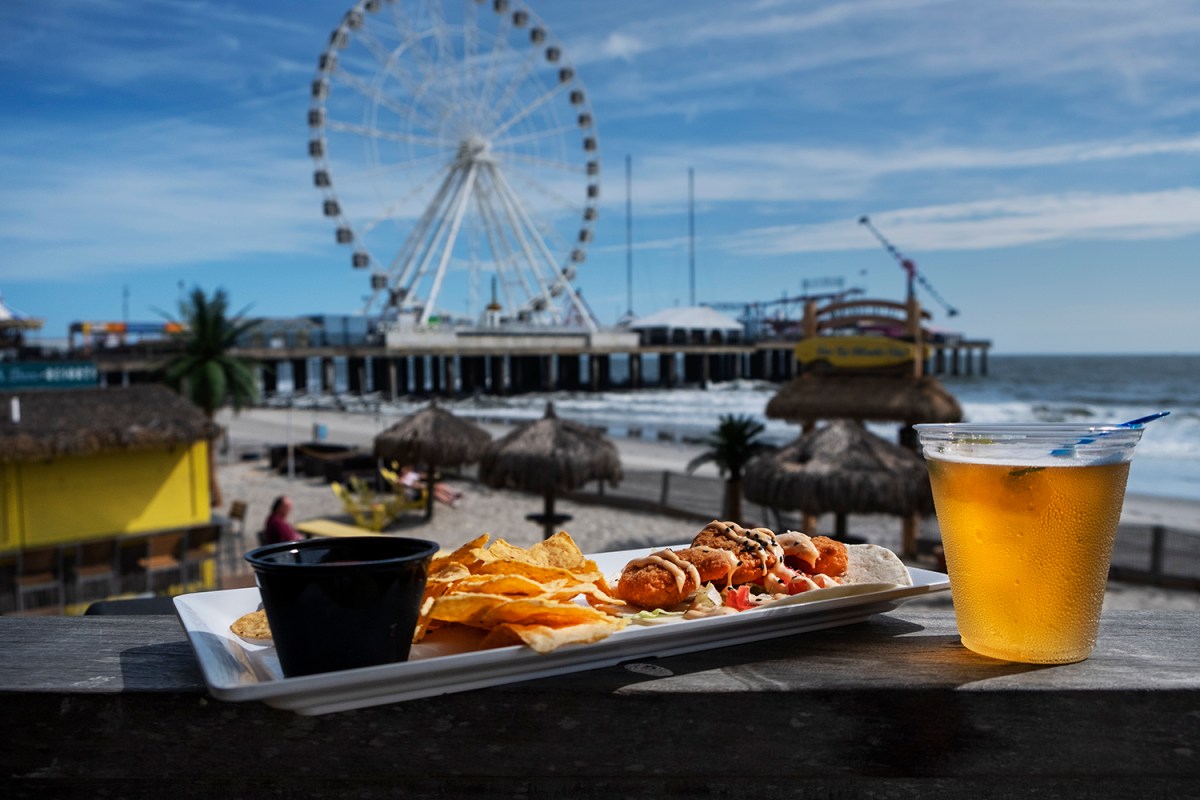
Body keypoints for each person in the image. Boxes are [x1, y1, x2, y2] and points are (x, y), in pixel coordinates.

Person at [397, 466, 463, 507]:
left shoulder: (411, 474)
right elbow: (407, 485)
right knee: (434, 492)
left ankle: (453, 494)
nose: (405, 470)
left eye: (405, 468)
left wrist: (430, 475)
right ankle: (450, 501)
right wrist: (419, 484)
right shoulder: (402, 479)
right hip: (416, 492)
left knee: (439, 485)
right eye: (403, 469)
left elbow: (422, 476)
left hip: (422, 487)